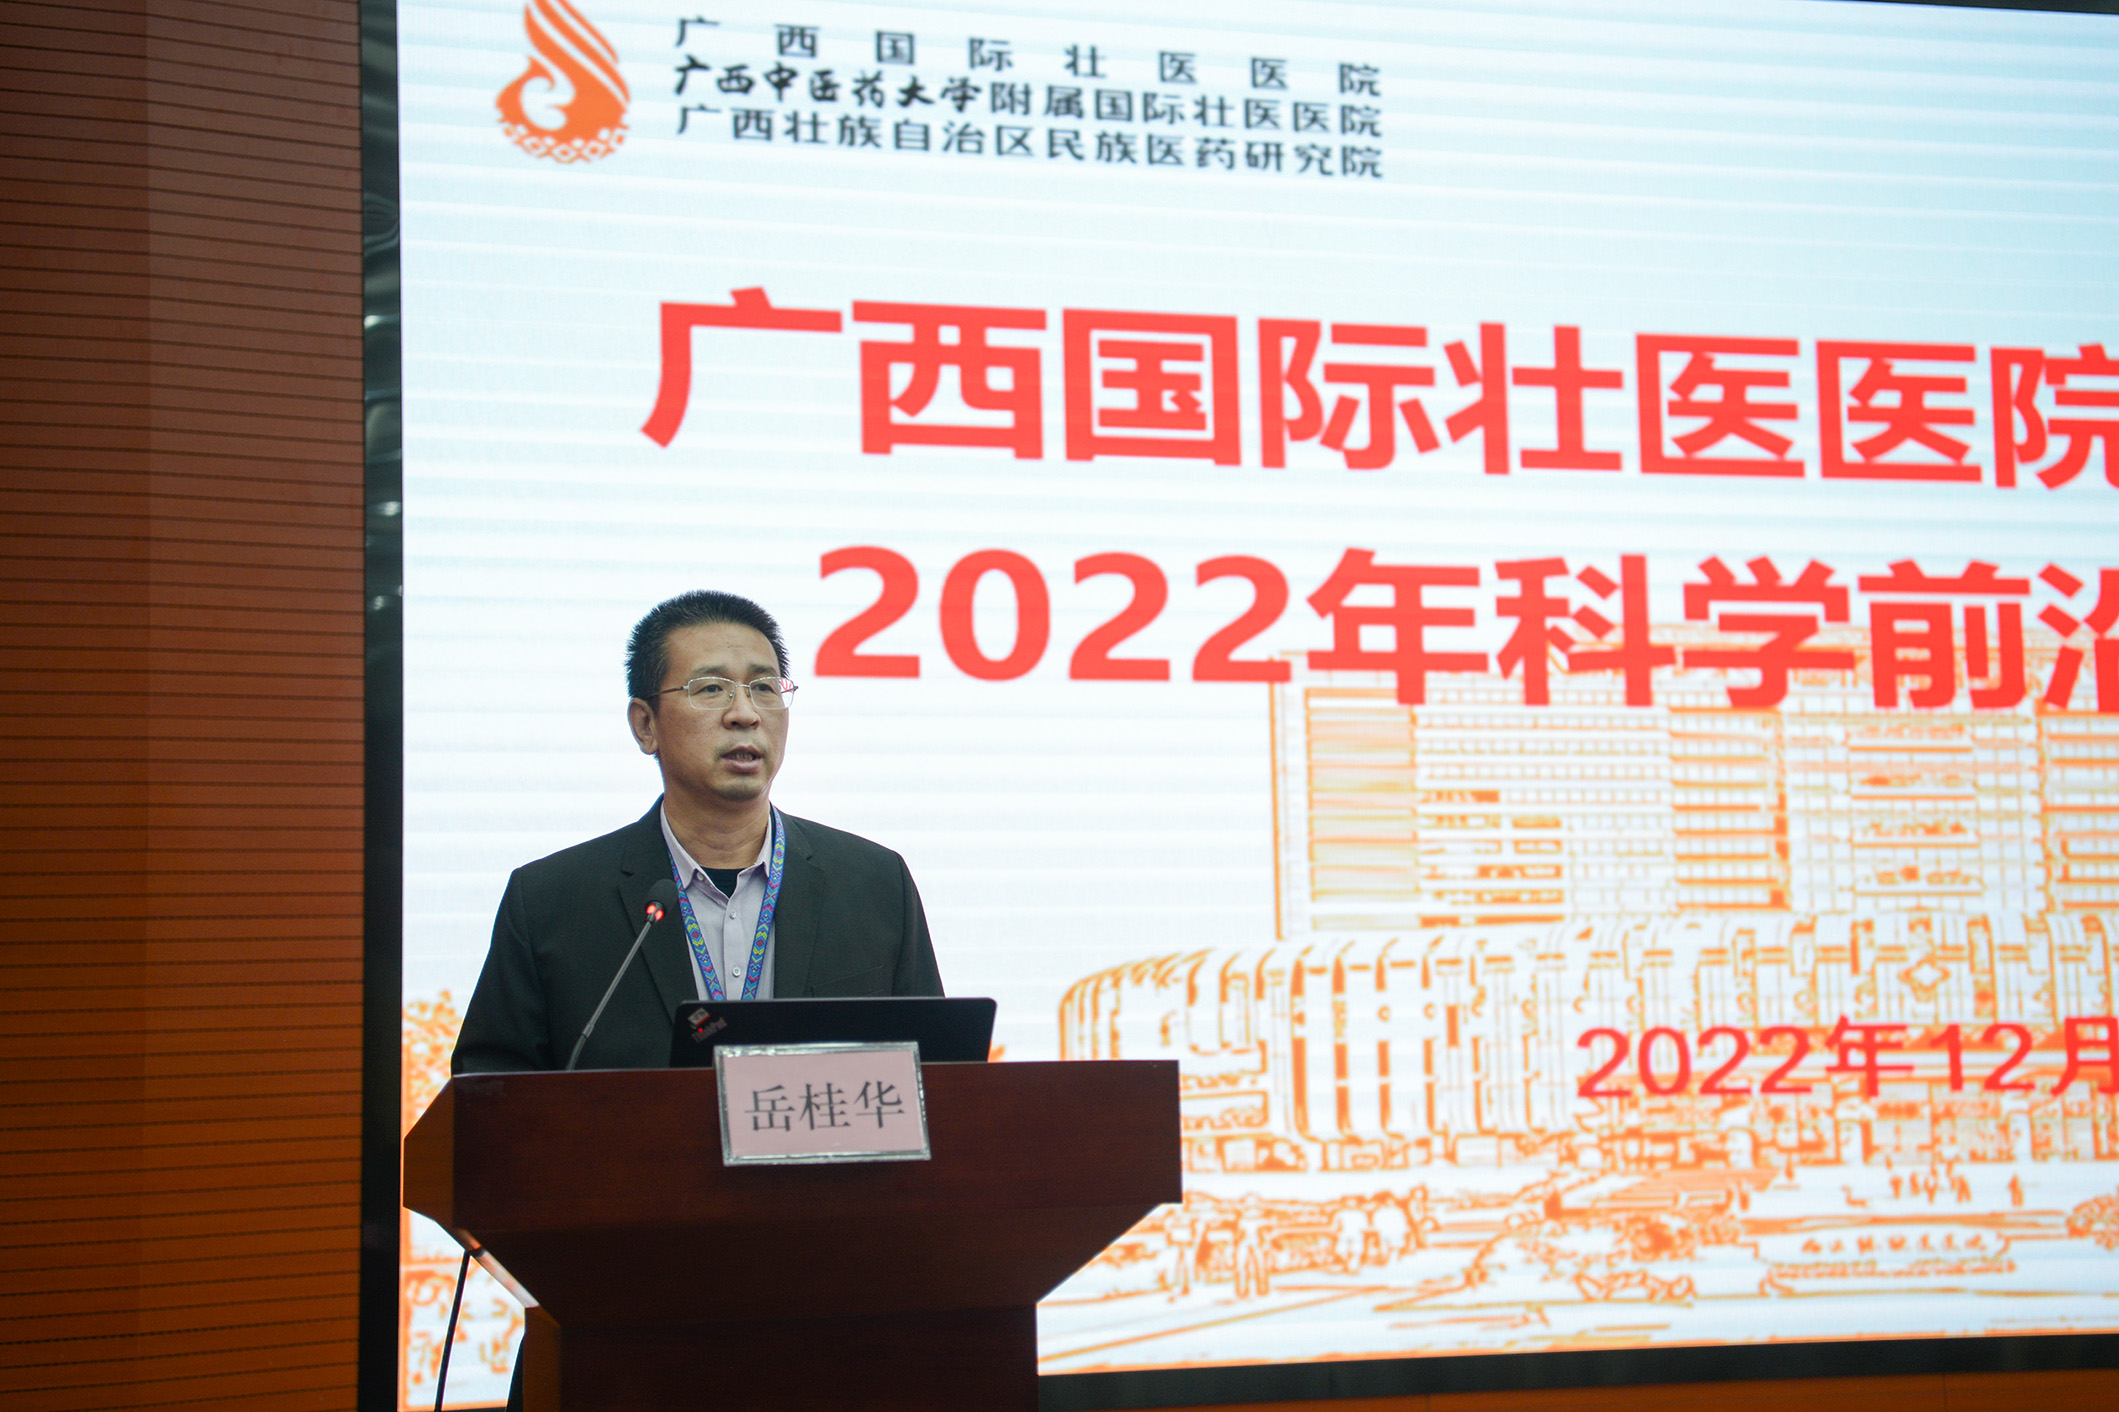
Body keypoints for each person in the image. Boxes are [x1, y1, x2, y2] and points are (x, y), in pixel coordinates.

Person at [452, 590, 944, 1075]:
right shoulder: (550, 902)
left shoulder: (876, 884)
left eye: (764, 688)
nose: (745, 714)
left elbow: (941, 1075)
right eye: (711, 689)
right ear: (645, 725)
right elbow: (488, 1093)